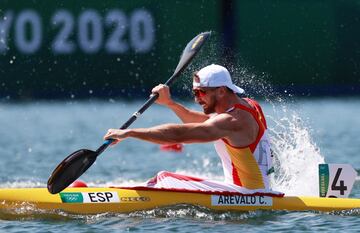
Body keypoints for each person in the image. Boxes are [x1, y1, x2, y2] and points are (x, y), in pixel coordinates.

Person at [104, 64, 273, 191]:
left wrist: (129, 133)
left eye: (201, 92)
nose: (197, 99)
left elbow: (179, 134)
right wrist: (170, 103)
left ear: (221, 91)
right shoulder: (248, 105)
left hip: (249, 195)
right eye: (195, 93)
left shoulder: (233, 121)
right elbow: (204, 120)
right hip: (257, 192)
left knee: (165, 178)